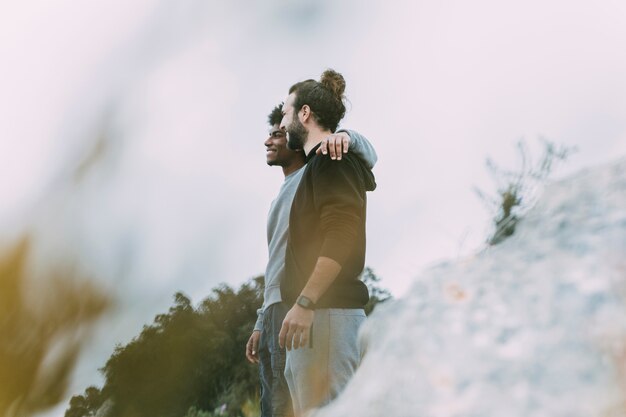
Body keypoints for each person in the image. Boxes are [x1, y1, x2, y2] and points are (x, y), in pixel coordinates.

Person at [246, 103, 377, 417]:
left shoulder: (318, 169)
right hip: (277, 310)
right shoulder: (282, 194)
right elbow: (277, 262)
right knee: (275, 406)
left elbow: (369, 155)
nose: (269, 141)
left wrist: (346, 136)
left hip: (306, 308)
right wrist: (262, 319)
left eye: (278, 133)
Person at [278, 69, 376, 416]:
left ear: (304, 113)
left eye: (285, 114)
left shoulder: (333, 161)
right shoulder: (320, 164)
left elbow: (342, 238)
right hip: (317, 321)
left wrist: (305, 302)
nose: (282, 124)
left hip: (326, 316)